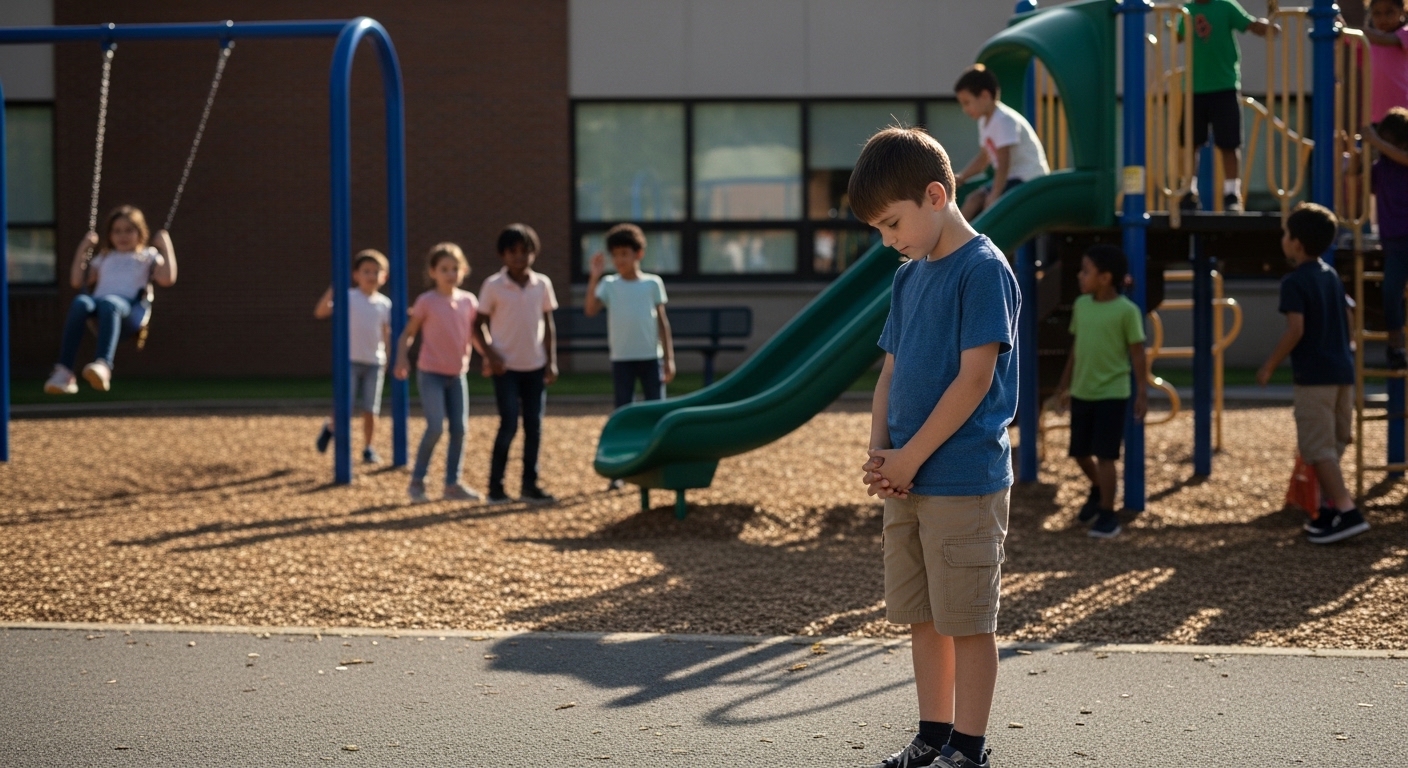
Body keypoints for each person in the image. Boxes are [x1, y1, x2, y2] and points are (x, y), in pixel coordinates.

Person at [853, 126, 1019, 768]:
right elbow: (890, 373)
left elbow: (974, 378)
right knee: (924, 616)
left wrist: (912, 456)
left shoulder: (982, 269)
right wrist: (880, 454)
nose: (889, 239)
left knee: (968, 621)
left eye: (893, 223)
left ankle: (968, 749)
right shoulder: (907, 276)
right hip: (909, 479)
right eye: (880, 230)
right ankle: (934, 734)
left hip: (962, 480)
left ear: (934, 195)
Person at [1257, 203, 1370, 544]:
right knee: (1334, 444)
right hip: (1342, 373)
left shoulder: (1294, 282)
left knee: (1318, 448)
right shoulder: (1330, 275)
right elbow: (1349, 314)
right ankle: (1329, 512)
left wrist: (1269, 365)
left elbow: (1295, 329)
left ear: (1296, 243)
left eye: (1285, 234)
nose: (1283, 239)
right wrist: (1347, 344)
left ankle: (1347, 511)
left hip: (1315, 377)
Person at [1053, 245, 1149, 539]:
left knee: (1106, 456)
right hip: (1083, 391)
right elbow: (1076, 349)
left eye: (1086, 271)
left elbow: (1137, 354)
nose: (1081, 276)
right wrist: (1064, 385)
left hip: (1112, 394)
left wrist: (1142, 392)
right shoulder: (1082, 306)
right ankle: (1097, 489)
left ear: (1105, 278)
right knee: (1080, 453)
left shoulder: (1127, 311)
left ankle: (1108, 514)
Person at [44, 205, 175, 394]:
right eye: (117, 231)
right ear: (110, 235)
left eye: (129, 230)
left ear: (140, 232)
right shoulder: (105, 257)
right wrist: (83, 247)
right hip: (101, 306)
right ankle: (64, 372)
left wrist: (165, 245)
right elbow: (77, 281)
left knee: (110, 303)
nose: (123, 236)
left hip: (131, 311)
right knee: (81, 302)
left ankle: (103, 365)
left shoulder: (147, 256)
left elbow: (167, 278)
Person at [584, 223, 676, 491]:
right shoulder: (609, 285)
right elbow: (590, 309)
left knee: (656, 411)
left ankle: (655, 463)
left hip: (650, 357)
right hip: (622, 359)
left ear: (638, 254)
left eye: (625, 253)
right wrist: (594, 276)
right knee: (623, 413)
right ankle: (620, 468)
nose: (620, 259)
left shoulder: (652, 283)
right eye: (616, 254)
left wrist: (668, 358)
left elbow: (662, 321)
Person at [394, 242, 484, 503]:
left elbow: (476, 335)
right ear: (433, 272)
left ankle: (452, 485)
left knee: (460, 429)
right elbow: (407, 335)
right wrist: (401, 358)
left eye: (455, 268)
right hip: (431, 373)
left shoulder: (469, 301)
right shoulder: (427, 302)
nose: (450, 273)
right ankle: (417, 482)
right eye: (444, 268)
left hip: (458, 375)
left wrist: (488, 357)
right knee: (435, 427)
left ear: (463, 270)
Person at [475, 224, 559, 504]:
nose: (519, 257)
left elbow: (548, 323)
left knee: (534, 426)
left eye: (525, 252)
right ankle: (495, 486)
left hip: (534, 365)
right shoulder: (493, 286)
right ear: (503, 254)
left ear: (533, 254)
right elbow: (478, 324)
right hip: (506, 368)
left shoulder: (542, 284)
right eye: (513, 252)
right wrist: (491, 354)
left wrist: (551, 360)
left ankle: (529, 484)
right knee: (509, 423)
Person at [1177, 0, 1277, 212]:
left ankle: (1231, 193)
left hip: (1224, 85)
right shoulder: (1187, 11)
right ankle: (1188, 190)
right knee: (1189, 144)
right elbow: (1178, 35)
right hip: (1195, 88)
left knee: (1228, 143)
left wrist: (1266, 25)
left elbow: (1249, 25)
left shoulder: (1225, 6)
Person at [313, 249, 392, 464]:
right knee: (344, 406)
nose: (371, 276)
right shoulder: (349, 297)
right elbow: (321, 312)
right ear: (356, 275)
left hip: (375, 362)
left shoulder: (384, 304)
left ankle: (368, 447)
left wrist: (389, 356)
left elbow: (386, 332)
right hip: (350, 360)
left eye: (376, 271)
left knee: (370, 408)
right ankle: (331, 428)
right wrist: (334, 288)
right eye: (366, 271)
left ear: (384, 276)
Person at [951, 64, 1049, 221]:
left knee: (985, 203)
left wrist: (994, 196)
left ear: (984, 96)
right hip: (1011, 178)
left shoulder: (1003, 120)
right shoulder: (984, 121)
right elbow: (984, 158)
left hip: (1027, 180)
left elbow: (1004, 163)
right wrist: (962, 177)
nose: (965, 109)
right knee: (973, 199)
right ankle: (958, 239)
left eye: (967, 102)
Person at [1364, 109, 1408, 368]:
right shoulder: (1381, 168)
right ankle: (1395, 345)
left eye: (1386, 141)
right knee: (1390, 292)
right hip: (1395, 243)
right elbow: (1357, 175)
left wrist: (1374, 141)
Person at [1365, 0, 1408, 125]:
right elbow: (1348, 39)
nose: (1383, 18)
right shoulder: (1370, 40)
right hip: (1375, 112)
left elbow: (1386, 40)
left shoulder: (1404, 33)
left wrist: (1350, 30)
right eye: (1377, 14)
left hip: (1402, 111)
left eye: (1389, 13)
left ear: (1402, 11)